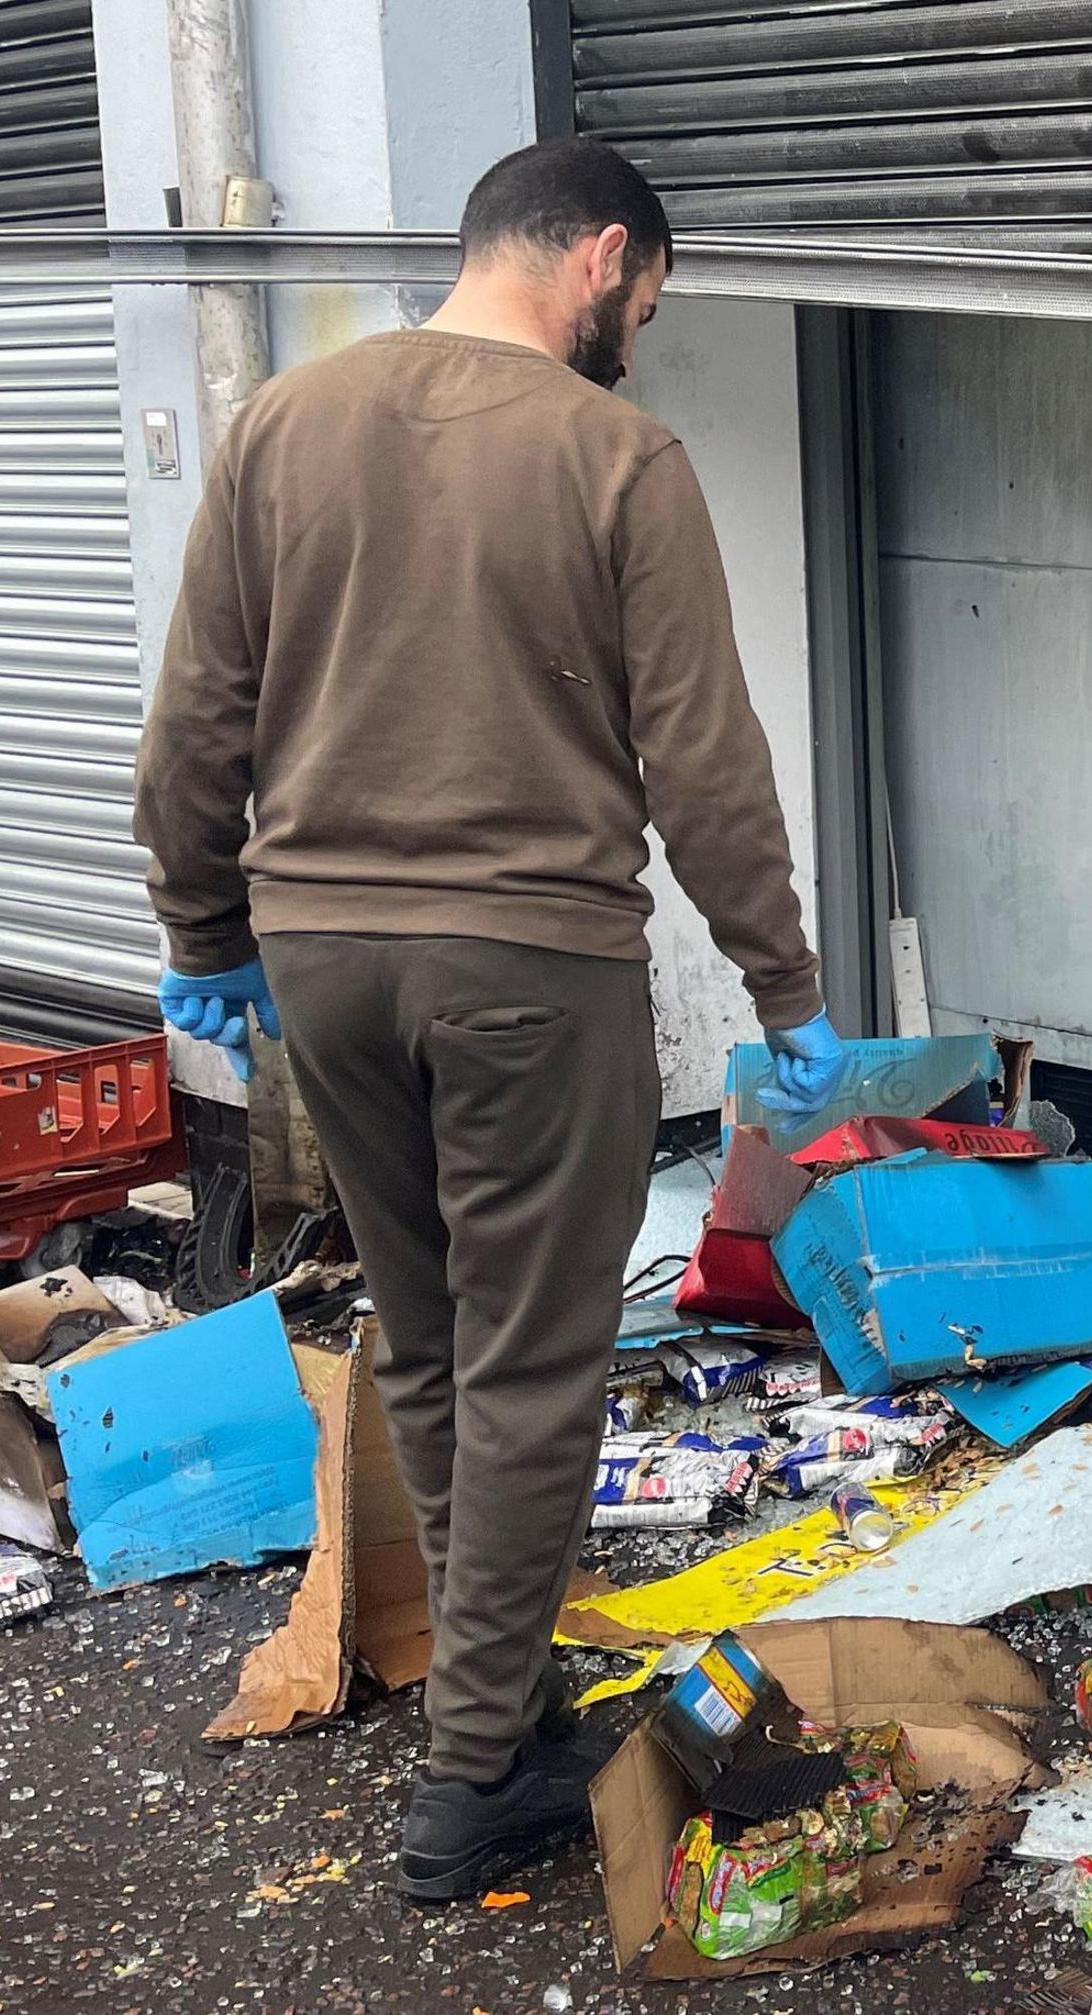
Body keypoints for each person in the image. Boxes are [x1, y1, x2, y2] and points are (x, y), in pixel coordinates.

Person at [134, 138, 853, 1901]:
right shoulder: (615, 455)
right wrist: (786, 982)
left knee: (442, 1341)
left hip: (322, 967)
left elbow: (195, 719)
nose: (640, 341)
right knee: (534, 1367)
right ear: (599, 258)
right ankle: (473, 1792)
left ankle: (503, 1688)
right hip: (530, 969)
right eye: (649, 306)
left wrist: (201, 918)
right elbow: (705, 761)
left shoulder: (284, 428)